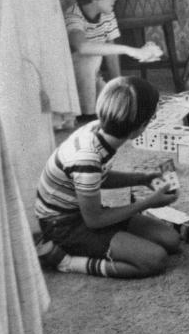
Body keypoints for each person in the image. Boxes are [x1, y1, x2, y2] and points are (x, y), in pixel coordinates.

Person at [34, 76, 181, 278]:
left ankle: (107, 244)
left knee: (171, 240)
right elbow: (95, 220)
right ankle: (67, 262)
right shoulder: (87, 158)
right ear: (139, 128)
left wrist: (141, 178)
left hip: (82, 210)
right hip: (63, 225)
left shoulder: (99, 129)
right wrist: (147, 203)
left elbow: (99, 178)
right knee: (155, 259)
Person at [66, 0, 162, 123]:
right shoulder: (73, 15)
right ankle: (86, 115)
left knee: (122, 105)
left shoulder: (108, 15)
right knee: (91, 57)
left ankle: (90, 110)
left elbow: (111, 55)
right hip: (71, 80)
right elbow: (82, 47)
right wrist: (129, 50)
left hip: (93, 78)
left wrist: (118, 86)